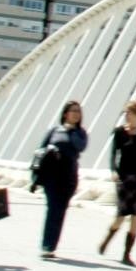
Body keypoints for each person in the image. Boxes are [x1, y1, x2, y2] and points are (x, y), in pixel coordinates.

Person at [99, 100, 136, 266]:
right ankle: (107, 240)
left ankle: (127, 254)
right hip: (125, 178)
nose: (127, 115)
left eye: (129, 113)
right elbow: (113, 154)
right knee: (121, 214)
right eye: (126, 113)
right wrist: (113, 171)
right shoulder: (119, 132)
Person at [38, 101, 88, 259]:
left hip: (68, 176)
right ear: (65, 113)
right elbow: (41, 148)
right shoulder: (54, 130)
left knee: (60, 210)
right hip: (52, 174)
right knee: (52, 208)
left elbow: (80, 147)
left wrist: (72, 131)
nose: (75, 114)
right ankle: (47, 245)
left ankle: (51, 244)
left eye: (78, 111)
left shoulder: (80, 133)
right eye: (72, 111)